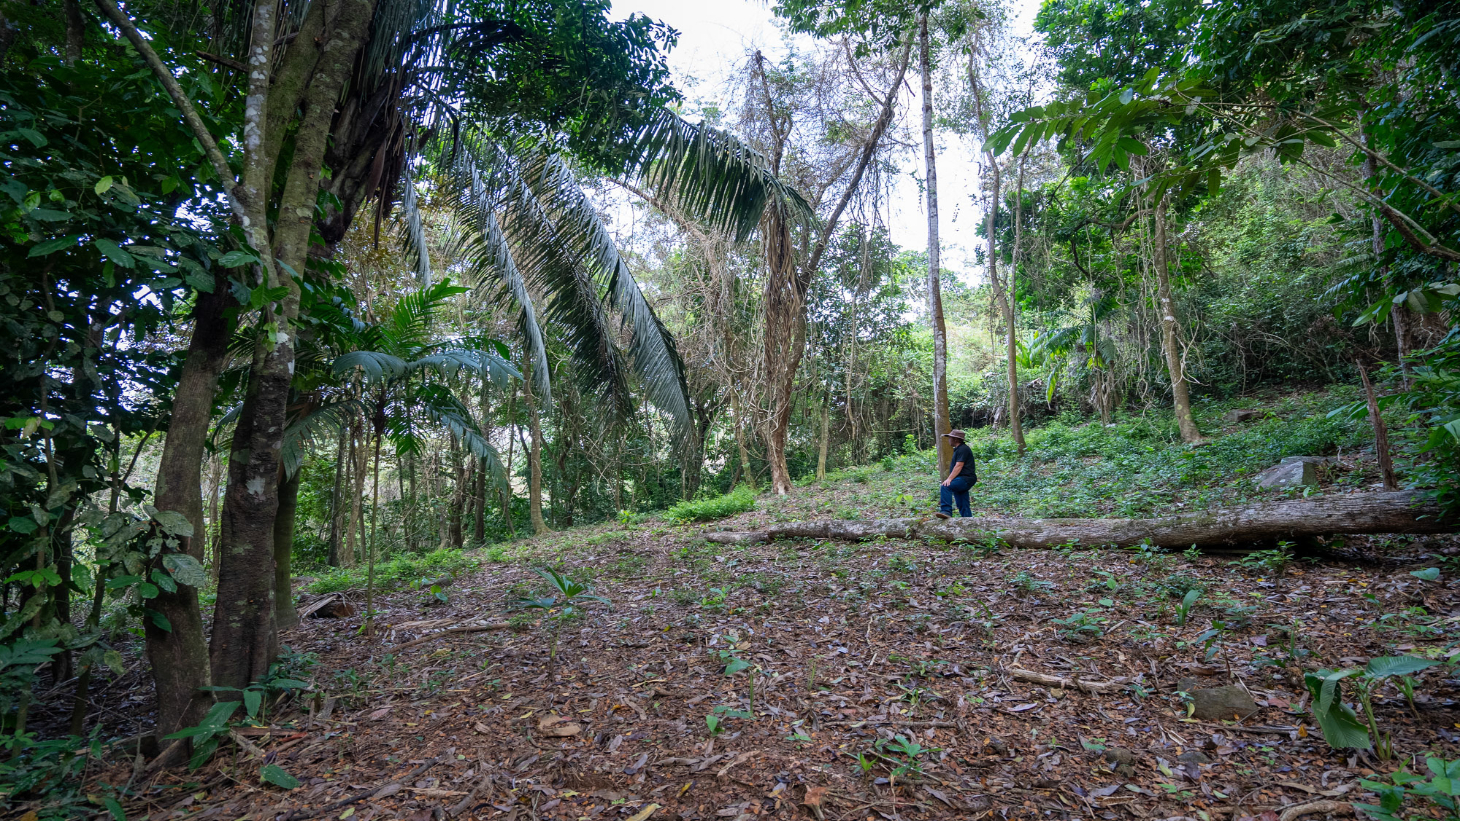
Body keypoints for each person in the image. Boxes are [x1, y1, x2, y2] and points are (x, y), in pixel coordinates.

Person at [935, 429, 976, 519]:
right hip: (963, 479)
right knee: (962, 503)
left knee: (945, 486)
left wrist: (949, 479)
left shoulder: (963, 449)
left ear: (956, 439)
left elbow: (959, 465)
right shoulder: (958, 449)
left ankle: (946, 511)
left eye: (950, 438)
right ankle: (968, 521)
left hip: (965, 478)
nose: (949, 439)